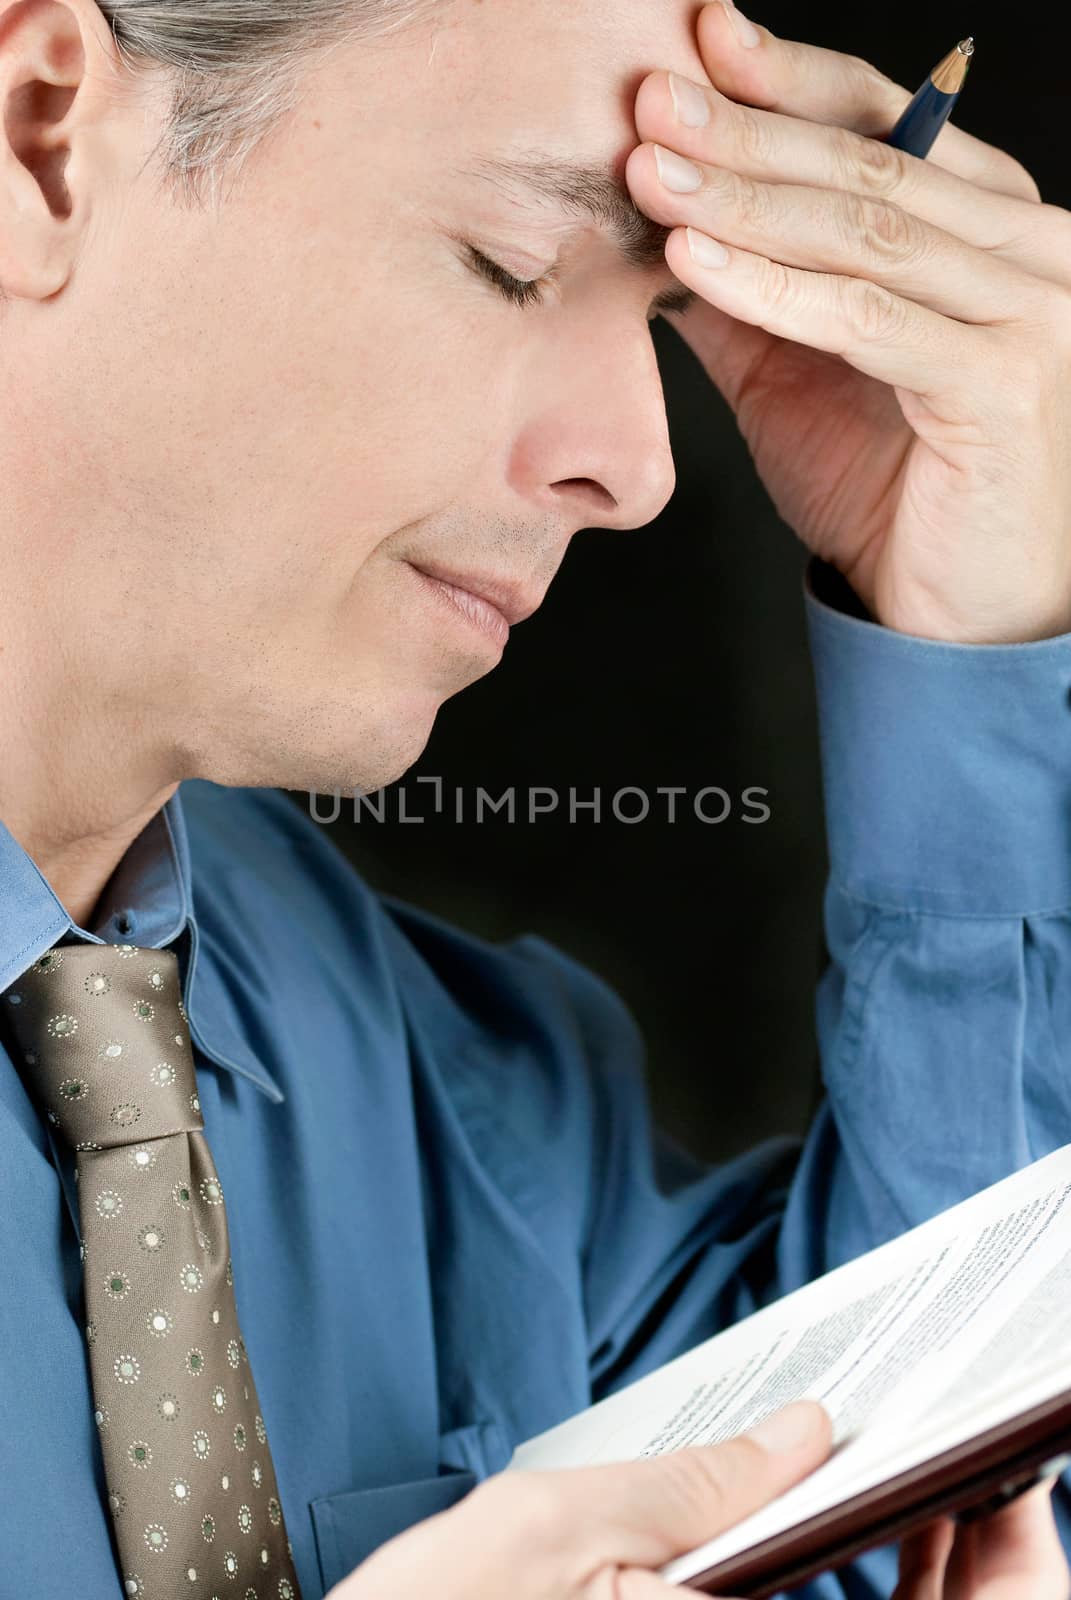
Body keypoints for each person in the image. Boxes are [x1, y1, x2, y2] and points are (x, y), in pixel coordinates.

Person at [1, 0, 1069, 1595]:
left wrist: (965, 630)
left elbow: (906, 1493)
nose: (640, 469)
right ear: (39, 135)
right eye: (512, 260)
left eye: (651, 313)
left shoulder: (456, 1099)